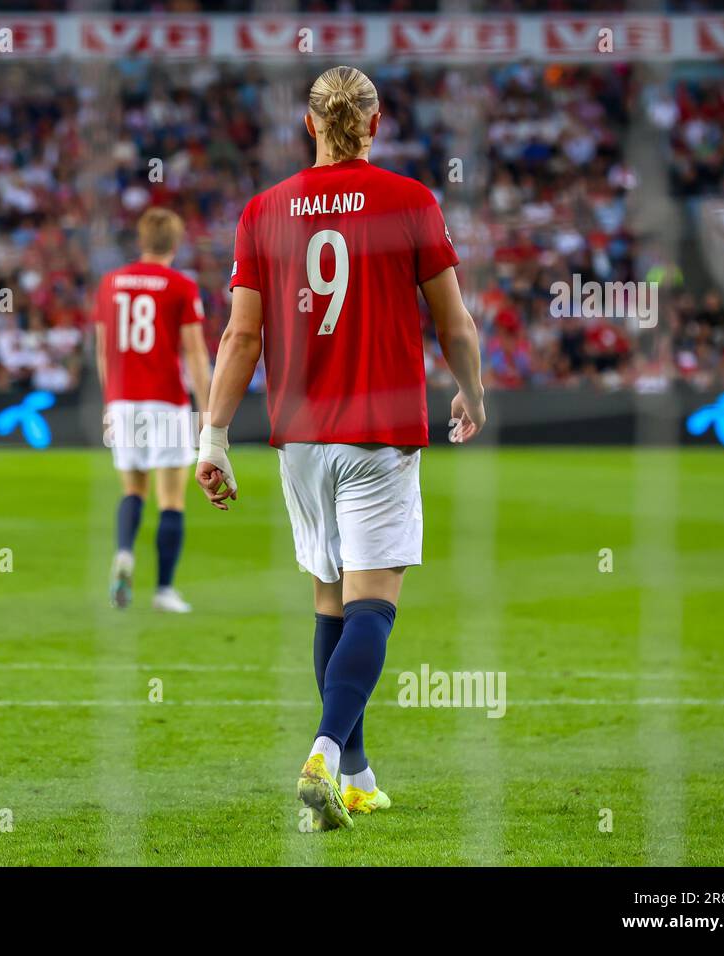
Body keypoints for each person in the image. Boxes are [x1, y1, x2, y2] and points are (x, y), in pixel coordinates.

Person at [194, 66, 486, 829]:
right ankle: (325, 750)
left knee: (330, 600)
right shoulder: (411, 203)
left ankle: (354, 775)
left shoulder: (264, 212)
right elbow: (454, 322)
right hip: (379, 433)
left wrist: (214, 434)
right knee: (373, 610)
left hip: (301, 438)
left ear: (309, 124)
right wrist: (472, 391)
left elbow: (242, 335)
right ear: (376, 123)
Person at [94, 207, 211, 613]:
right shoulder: (181, 286)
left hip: (124, 401)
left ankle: (125, 552)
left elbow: (103, 349)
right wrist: (209, 411)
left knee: (132, 490)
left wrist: (110, 400)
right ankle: (163, 589)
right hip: (166, 401)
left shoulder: (110, 283)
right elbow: (195, 353)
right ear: (176, 245)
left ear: (141, 240)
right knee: (172, 498)